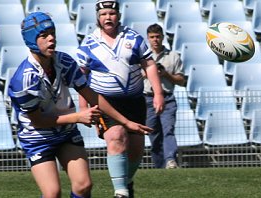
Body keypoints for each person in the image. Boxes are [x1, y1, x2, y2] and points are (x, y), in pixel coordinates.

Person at [8, 12, 153, 198]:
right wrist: (77, 117)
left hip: (66, 132)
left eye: (52, 33)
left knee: (84, 186)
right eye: (44, 36)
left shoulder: (65, 61)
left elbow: (93, 96)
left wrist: (126, 122)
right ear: (30, 40)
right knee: (52, 193)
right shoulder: (24, 79)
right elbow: (38, 122)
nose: (51, 38)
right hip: (38, 139)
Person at [75, 1, 165, 197]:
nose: (108, 17)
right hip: (104, 102)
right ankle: (121, 192)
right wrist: (84, 107)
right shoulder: (88, 43)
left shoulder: (133, 38)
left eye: (112, 13)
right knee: (116, 137)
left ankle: (127, 181)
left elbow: (149, 65)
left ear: (118, 15)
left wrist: (158, 93)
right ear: (98, 17)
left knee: (136, 148)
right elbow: (80, 77)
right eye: (104, 14)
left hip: (134, 102)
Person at [143, 23, 186, 169]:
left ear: (162, 37)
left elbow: (182, 81)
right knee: (153, 134)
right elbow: (134, 77)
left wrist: (166, 74)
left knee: (168, 129)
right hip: (148, 98)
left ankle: (170, 160)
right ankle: (159, 165)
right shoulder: (143, 56)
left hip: (167, 98)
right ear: (148, 39)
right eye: (152, 37)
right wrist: (150, 72)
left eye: (157, 36)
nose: (155, 40)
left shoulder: (173, 56)